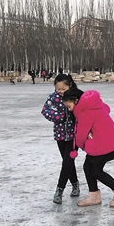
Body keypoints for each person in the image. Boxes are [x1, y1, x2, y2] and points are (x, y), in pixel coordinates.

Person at [62, 88, 114, 208]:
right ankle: (94, 196)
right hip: (106, 140)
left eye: (69, 106)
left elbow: (82, 134)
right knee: (88, 166)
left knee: (95, 171)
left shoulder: (84, 111)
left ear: (76, 101)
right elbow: (107, 108)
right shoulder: (94, 104)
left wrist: (80, 144)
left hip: (103, 144)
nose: (69, 109)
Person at [41, 74, 80, 204]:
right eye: (59, 89)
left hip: (74, 135)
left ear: (70, 85)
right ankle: (75, 184)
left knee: (68, 161)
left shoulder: (76, 96)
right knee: (67, 161)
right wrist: (59, 117)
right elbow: (45, 110)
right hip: (60, 135)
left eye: (63, 88)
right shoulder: (53, 98)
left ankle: (59, 190)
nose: (61, 92)